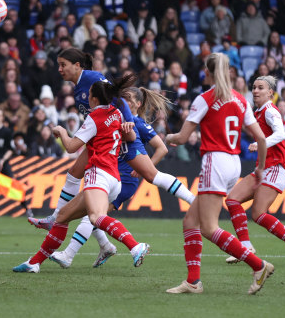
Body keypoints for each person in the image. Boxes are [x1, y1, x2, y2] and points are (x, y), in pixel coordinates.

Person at [28, 48, 195, 232]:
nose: (60, 69)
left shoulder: (92, 78)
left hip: (120, 134)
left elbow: (119, 99)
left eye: (63, 65)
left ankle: (193, 202)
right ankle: (56, 217)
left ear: (77, 65)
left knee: (151, 175)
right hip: (103, 136)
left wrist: (129, 123)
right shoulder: (78, 88)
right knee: (75, 172)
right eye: (59, 65)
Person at [13, 76, 151, 273]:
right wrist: (127, 128)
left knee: (95, 217)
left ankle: (135, 246)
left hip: (99, 173)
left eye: (89, 96)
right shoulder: (118, 113)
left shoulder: (94, 118)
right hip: (114, 179)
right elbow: (130, 136)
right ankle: (34, 263)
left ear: (93, 100)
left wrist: (61, 130)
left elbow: (71, 147)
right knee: (62, 216)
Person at [165, 53, 274, 295]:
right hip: (234, 162)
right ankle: (193, 282)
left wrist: (168, 137)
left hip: (214, 160)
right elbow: (261, 139)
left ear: (209, 72)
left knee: (209, 227)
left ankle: (258, 265)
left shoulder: (204, 99)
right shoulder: (239, 99)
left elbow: (182, 138)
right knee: (190, 222)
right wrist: (260, 168)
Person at [50, 86, 170, 268]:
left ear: (138, 104)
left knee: (93, 215)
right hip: (110, 174)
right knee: (94, 214)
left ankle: (69, 254)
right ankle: (105, 246)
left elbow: (162, 148)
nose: (125, 102)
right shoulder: (118, 118)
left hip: (123, 178)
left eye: (129, 99)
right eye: (123, 98)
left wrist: (146, 168)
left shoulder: (137, 124)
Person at [225, 76, 285, 265]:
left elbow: (280, 134)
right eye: (254, 87)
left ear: (271, 92)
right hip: (264, 166)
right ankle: (246, 246)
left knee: (258, 214)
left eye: (260, 88)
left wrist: (259, 143)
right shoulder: (259, 111)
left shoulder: (270, 110)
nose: (255, 90)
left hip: (278, 165)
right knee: (232, 200)